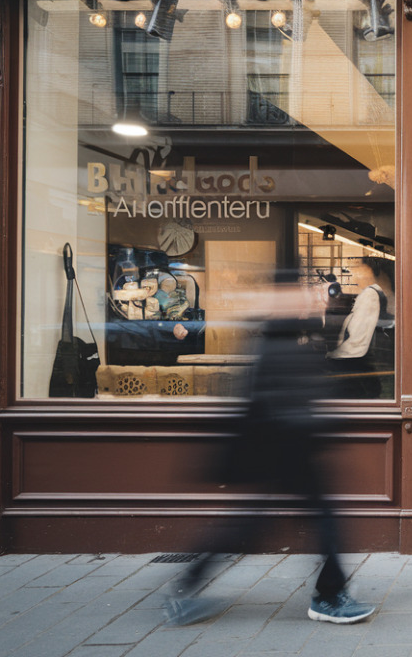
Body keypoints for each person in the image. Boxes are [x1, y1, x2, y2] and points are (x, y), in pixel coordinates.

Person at [163, 272, 375, 627]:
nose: (304, 299)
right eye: (295, 294)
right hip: (282, 450)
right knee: (270, 526)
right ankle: (328, 597)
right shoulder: (276, 342)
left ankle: (185, 588)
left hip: (287, 449)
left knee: (255, 526)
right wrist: (316, 425)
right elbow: (275, 401)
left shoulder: (288, 336)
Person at [327, 257, 395, 398]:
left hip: (353, 357)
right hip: (359, 358)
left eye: (361, 271)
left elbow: (358, 335)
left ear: (373, 274)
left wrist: (335, 355)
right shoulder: (374, 293)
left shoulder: (369, 294)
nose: (356, 275)